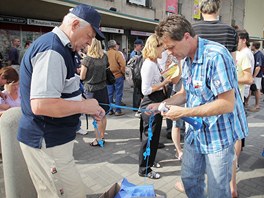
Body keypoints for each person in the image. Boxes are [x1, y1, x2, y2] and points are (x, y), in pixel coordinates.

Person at [149, 14, 248, 197]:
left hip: (219, 136)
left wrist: (184, 112)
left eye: (171, 47)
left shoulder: (216, 56)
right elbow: (185, 93)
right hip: (196, 133)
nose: (169, 53)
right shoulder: (186, 58)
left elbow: (226, 104)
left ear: (186, 36)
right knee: (189, 179)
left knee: (217, 191)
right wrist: (162, 104)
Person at [17, 4, 105, 198]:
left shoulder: (61, 47)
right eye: (90, 35)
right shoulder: (52, 50)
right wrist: (84, 105)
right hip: (46, 140)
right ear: (75, 24)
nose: (90, 43)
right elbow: (41, 105)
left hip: (53, 140)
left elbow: (64, 91)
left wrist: (87, 106)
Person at [138, 34, 172, 179]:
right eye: (161, 47)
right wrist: (163, 84)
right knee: (149, 138)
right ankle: (144, 169)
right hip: (151, 102)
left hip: (156, 101)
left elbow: (156, 80)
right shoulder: (149, 64)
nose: (163, 50)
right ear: (154, 47)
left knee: (153, 137)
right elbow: (145, 90)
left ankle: (149, 162)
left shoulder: (154, 63)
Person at [80, 38, 110, 146]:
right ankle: (101, 136)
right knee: (103, 114)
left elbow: (82, 76)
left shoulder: (87, 60)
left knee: (96, 116)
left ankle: (98, 140)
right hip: (103, 88)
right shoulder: (104, 57)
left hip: (91, 90)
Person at [106, 39, 126, 116]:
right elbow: (123, 65)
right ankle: (118, 110)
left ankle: (110, 110)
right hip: (118, 75)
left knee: (109, 94)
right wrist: (122, 73)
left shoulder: (105, 54)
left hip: (108, 76)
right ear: (114, 46)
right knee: (118, 93)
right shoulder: (117, 54)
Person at [247, 41, 264, 112]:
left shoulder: (259, 54)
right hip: (255, 75)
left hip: (257, 75)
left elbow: (258, 67)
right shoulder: (255, 54)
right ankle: (246, 102)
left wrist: (253, 76)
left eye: (252, 45)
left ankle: (257, 105)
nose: (251, 46)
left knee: (257, 89)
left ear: (254, 46)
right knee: (251, 89)